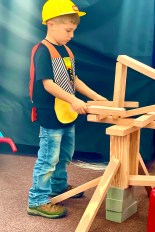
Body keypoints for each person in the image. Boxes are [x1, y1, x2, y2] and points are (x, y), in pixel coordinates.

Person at [27, 0, 107, 219]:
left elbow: (74, 79)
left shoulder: (66, 51)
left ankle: (58, 187)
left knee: (64, 155)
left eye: (73, 30)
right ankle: (37, 200)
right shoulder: (42, 50)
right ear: (51, 24)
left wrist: (94, 96)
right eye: (68, 30)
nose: (71, 35)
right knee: (48, 158)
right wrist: (74, 100)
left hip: (67, 112)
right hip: (51, 113)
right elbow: (48, 84)